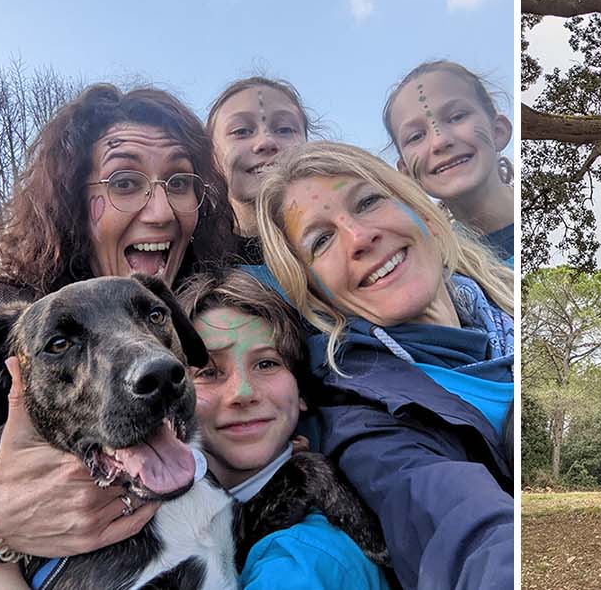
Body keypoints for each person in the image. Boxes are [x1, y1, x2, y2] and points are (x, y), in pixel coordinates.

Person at [0, 84, 237, 585]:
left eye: (180, 181)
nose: (162, 210)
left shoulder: (207, 311)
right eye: (124, 182)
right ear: (70, 203)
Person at [250, 140, 514, 589]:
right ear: (317, 293)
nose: (359, 237)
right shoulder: (365, 420)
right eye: (322, 240)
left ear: (423, 212)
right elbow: (457, 526)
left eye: (369, 201)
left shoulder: (515, 295)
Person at [177, 268, 390, 589]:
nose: (243, 393)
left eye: (267, 363)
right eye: (209, 372)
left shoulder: (301, 561)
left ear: (301, 391)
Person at [381, 60, 514, 261]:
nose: (440, 141)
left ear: (498, 131)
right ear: (406, 173)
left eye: (457, 117)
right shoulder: (440, 268)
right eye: (416, 136)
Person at [206, 76, 312, 264]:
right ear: (212, 157)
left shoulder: (350, 238)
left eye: (285, 129)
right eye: (241, 131)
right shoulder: (189, 258)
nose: (266, 142)